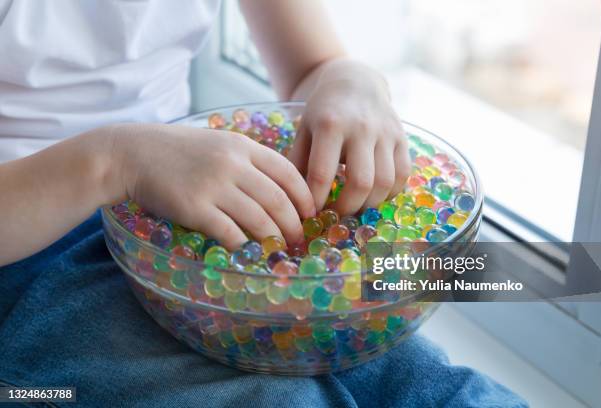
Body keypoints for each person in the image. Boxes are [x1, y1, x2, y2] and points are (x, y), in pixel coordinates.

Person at [0, 1, 527, 406]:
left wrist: (347, 78)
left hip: (179, 203)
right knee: (280, 397)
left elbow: (312, 63)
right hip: (26, 253)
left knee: (423, 384)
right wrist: (115, 162)